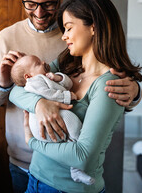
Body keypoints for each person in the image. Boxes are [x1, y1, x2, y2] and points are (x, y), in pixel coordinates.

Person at [0, 0, 141, 193]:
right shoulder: (18, 41)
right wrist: (39, 103)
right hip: (25, 165)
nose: (39, 12)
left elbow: (111, 90)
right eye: (31, 3)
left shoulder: (73, 50)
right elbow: (7, 92)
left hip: (65, 178)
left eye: (48, 4)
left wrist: (135, 92)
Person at [9, 0, 142, 193]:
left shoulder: (110, 85)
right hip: (35, 179)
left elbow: (83, 157)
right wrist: (40, 104)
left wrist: (33, 143)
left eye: (69, 28)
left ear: (93, 27)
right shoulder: (66, 64)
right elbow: (16, 90)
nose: (64, 36)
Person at [10, 54, 95, 185]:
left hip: (49, 123)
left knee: (71, 138)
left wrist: (58, 77)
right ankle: (76, 167)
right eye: (38, 64)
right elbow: (48, 94)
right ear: (28, 76)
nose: (43, 62)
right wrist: (67, 96)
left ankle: (75, 170)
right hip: (42, 125)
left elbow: (68, 84)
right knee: (75, 124)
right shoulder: (34, 82)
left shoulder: (46, 77)